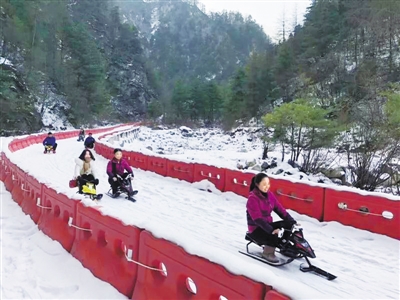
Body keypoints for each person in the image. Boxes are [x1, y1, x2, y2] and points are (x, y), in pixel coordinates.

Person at [246, 173, 297, 263]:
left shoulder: (269, 195)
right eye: (264, 184)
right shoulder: (252, 199)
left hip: (267, 225)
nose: (267, 187)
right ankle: (268, 253)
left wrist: (292, 221)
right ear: (257, 185)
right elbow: (258, 220)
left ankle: (286, 246)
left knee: (289, 225)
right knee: (275, 233)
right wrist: (271, 230)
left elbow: (280, 209)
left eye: (268, 184)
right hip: (256, 229)